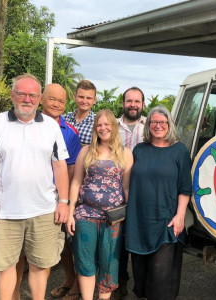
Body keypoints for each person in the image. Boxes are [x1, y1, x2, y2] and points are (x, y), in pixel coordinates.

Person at [0, 74, 69, 300]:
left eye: (32, 95)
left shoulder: (50, 126)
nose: (27, 99)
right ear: (12, 95)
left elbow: (60, 167)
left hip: (44, 210)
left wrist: (64, 202)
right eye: (21, 93)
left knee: (40, 266)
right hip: (4, 211)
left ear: (39, 98)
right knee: (5, 266)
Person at [12, 83, 82, 300]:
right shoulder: (20, 124)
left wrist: (67, 201)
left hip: (53, 201)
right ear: (42, 99)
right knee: (18, 252)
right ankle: (12, 293)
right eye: (52, 99)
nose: (57, 104)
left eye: (62, 101)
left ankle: (67, 282)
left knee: (51, 250)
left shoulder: (69, 133)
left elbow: (71, 169)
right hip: (20, 200)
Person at [125, 106, 192, 300]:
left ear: (169, 125)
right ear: (148, 125)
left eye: (163, 122)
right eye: (154, 122)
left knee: (162, 278)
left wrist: (180, 216)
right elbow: (128, 183)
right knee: (142, 273)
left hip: (167, 221)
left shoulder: (179, 151)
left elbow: (185, 188)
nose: (158, 126)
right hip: (140, 221)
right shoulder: (139, 150)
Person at [67, 109, 133, 300]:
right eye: (99, 125)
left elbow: (126, 187)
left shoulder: (125, 153)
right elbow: (76, 182)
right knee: (85, 260)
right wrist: (71, 213)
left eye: (107, 124)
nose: (103, 128)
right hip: (86, 214)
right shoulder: (86, 151)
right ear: (95, 128)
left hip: (113, 218)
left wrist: (129, 217)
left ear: (113, 127)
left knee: (109, 262)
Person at [114, 87, 146, 299]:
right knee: (118, 239)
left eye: (137, 101)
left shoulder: (151, 126)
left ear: (143, 104)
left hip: (144, 190)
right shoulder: (112, 126)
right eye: (129, 101)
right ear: (123, 102)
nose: (133, 104)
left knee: (141, 236)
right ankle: (120, 281)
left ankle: (144, 285)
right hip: (116, 190)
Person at [64, 80, 97, 146]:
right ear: (75, 97)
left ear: (94, 100)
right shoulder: (64, 119)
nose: (84, 101)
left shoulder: (97, 123)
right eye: (81, 97)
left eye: (89, 98)